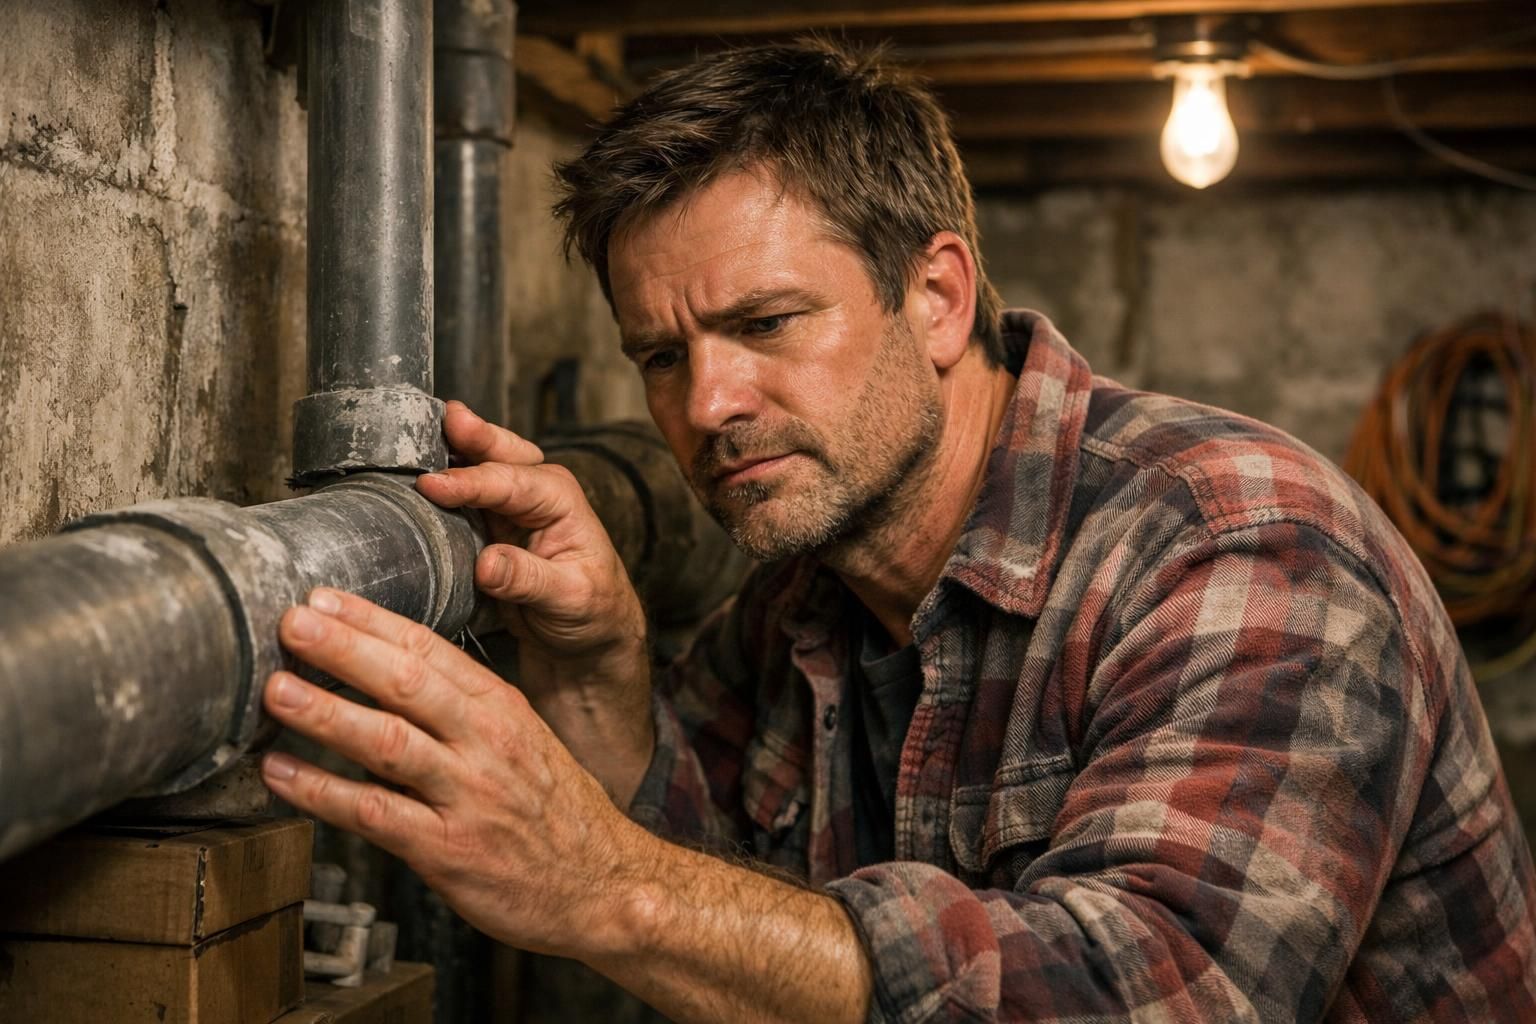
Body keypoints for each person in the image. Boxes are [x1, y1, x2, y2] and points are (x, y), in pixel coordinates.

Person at [258, 41, 1536, 1022]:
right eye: (662, 353)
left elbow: (1156, 989)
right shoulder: (801, 598)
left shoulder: (1245, 549)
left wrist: (608, 889)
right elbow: (722, 905)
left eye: (764, 324)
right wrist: (600, 670)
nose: (706, 406)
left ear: (935, 297)